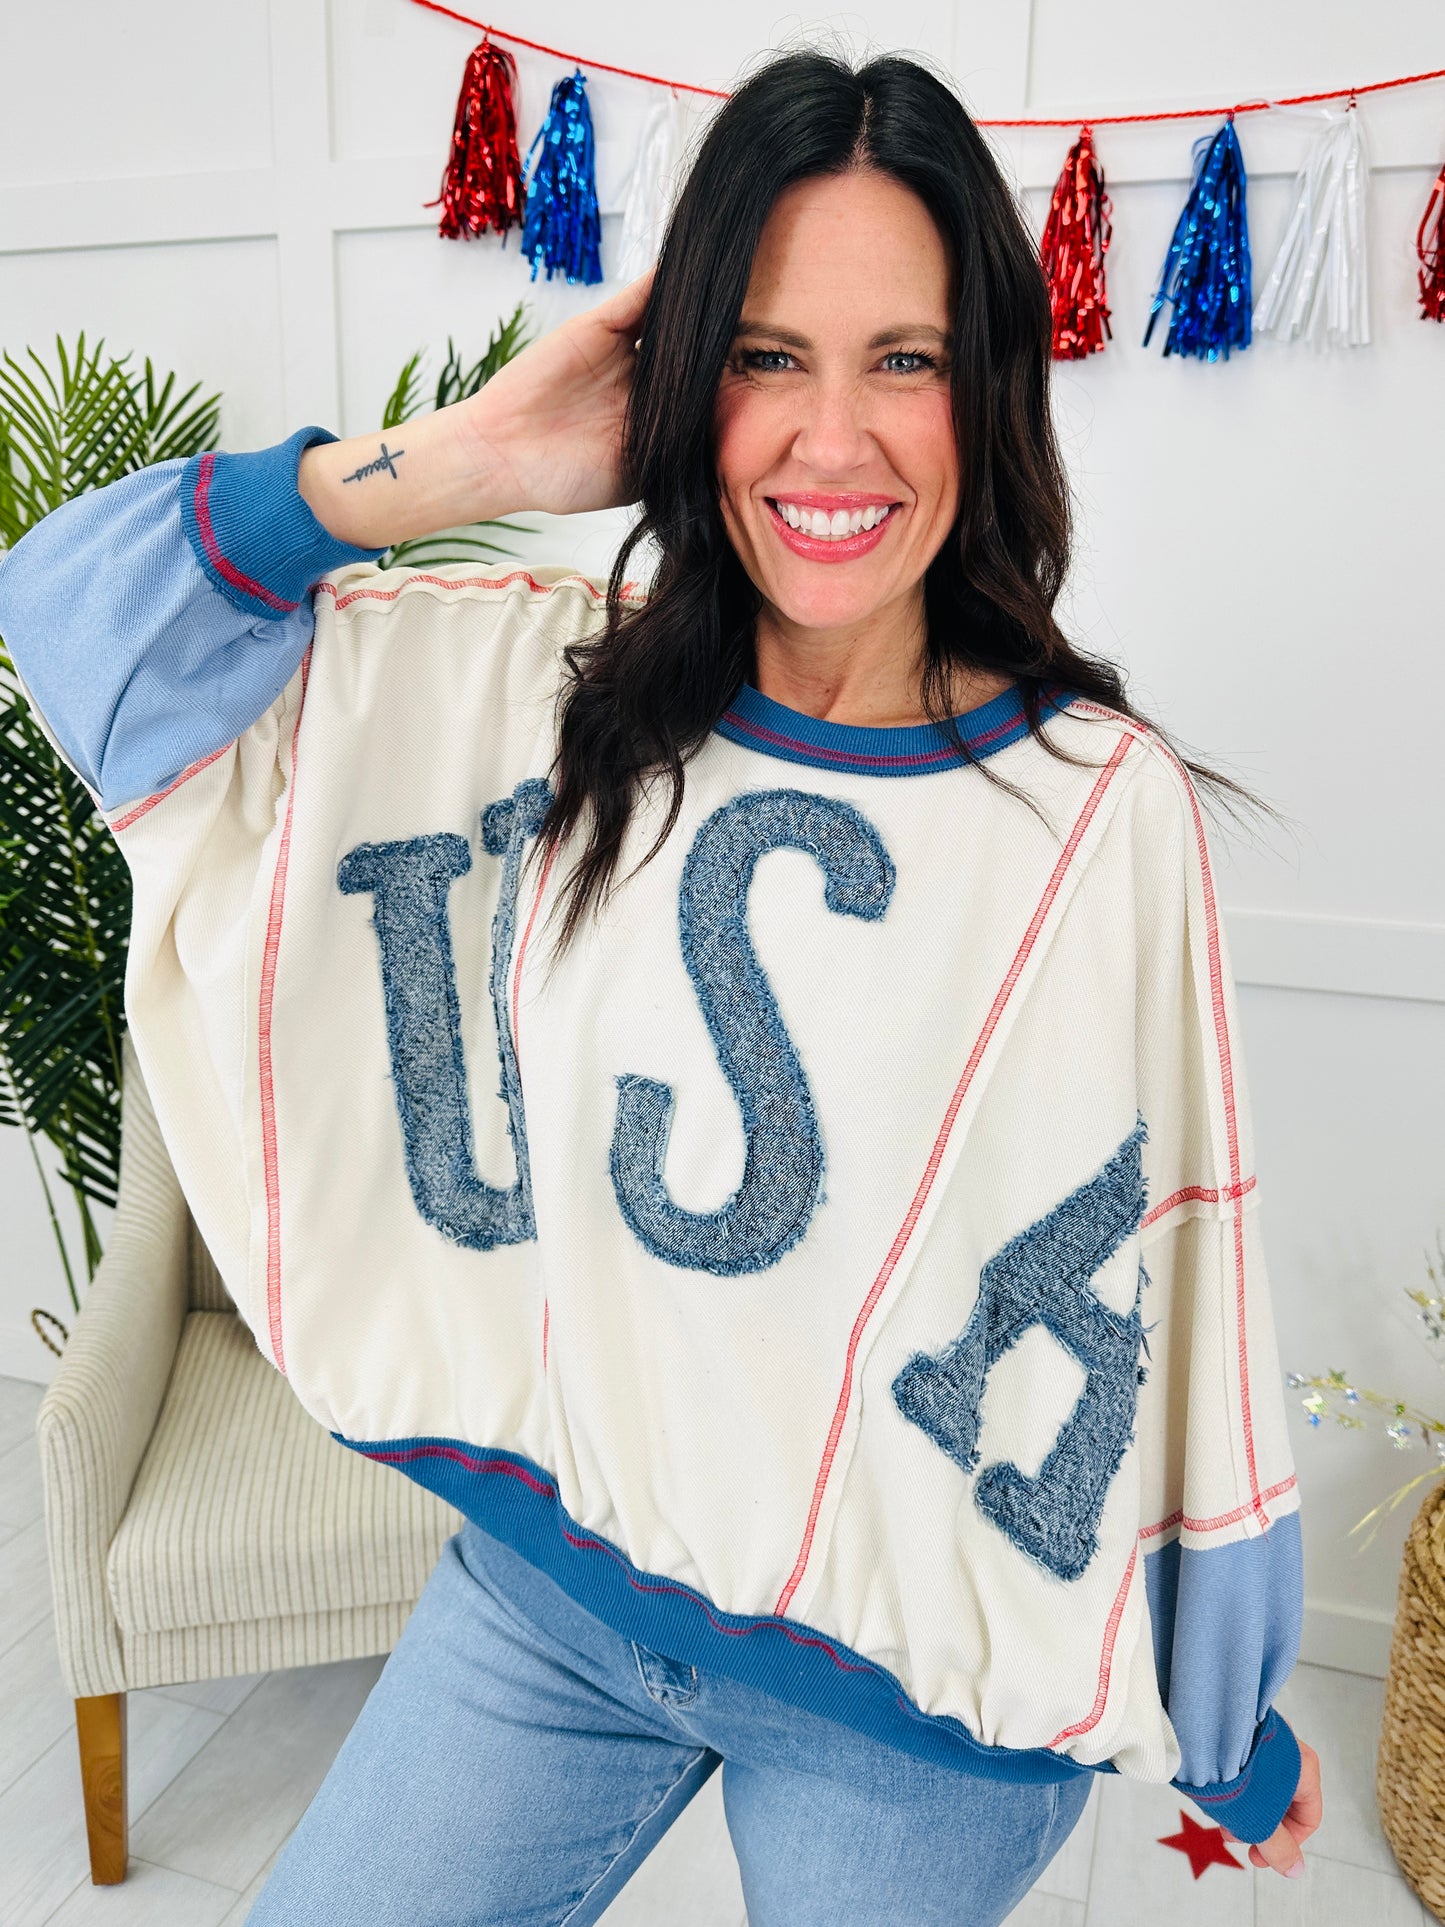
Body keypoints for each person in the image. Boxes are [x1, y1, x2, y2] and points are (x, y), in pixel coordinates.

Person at [0, 46, 1321, 1927]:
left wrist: (1231, 1728)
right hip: (553, 1596)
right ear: (688, 376)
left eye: (905, 359)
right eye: (767, 355)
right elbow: (84, 626)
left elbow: (1175, 1262)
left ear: (988, 387)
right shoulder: (531, 690)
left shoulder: (1092, 810)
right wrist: (475, 459)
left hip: (910, 1709)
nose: (833, 440)